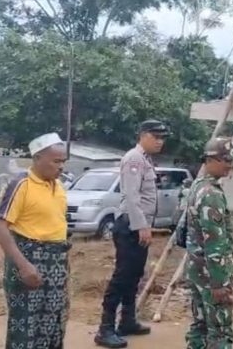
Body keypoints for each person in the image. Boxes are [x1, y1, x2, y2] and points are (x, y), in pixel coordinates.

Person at [95, 120, 169, 348]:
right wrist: (142, 226)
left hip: (137, 225)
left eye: (162, 137)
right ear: (143, 135)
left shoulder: (145, 159)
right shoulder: (134, 158)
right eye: (156, 137)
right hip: (130, 226)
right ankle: (105, 328)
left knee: (134, 275)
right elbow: (132, 196)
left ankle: (127, 320)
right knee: (122, 276)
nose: (160, 141)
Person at [0, 132, 70, 349]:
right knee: (26, 326)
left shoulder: (59, 187)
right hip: (28, 260)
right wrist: (24, 266)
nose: (61, 166)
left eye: (63, 161)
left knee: (54, 322)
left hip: (56, 263)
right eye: (56, 161)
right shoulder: (21, 185)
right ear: (37, 159)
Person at [185, 137, 233, 349]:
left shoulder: (197, 186)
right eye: (225, 160)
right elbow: (214, 241)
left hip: (196, 269)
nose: (230, 165)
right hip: (211, 274)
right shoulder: (211, 194)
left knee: (200, 325)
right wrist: (219, 282)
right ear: (211, 159)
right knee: (220, 330)